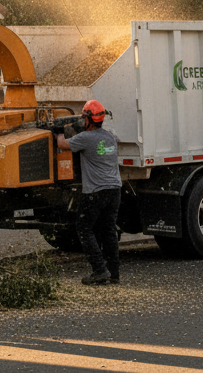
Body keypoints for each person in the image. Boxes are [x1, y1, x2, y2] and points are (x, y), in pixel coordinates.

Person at [56, 99, 122, 285]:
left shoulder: (85, 138)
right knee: (108, 229)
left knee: (84, 228)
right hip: (115, 189)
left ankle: (100, 270)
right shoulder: (110, 137)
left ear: (88, 119)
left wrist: (58, 129)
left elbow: (62, 144)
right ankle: (114, 273)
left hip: (95, 192)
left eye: (84, 117)